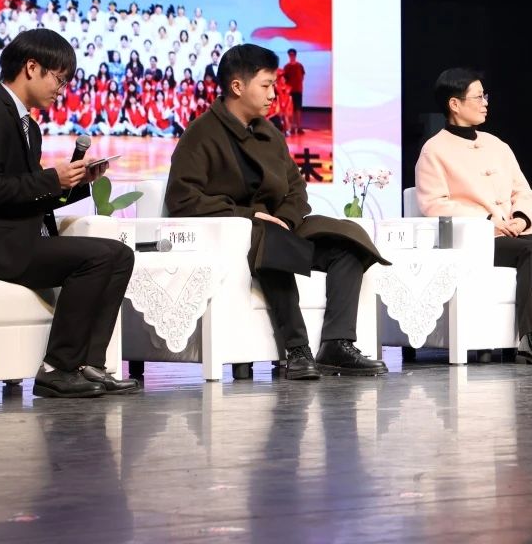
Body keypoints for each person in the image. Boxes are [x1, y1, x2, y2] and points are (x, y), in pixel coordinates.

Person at [165, 44, 389, 378]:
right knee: (273, 241)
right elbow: (182, 199)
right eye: (266, 85)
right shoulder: (201, 134)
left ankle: (337, 344)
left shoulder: (269, 132)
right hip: (239, 234)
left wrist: (285, 218)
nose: (274, 94)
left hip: (280, 226)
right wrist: (249, 216)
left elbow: (296, 188)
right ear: (237, 86)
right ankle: (297, 349)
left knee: (346, 241)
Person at [0, 29, 138, 397]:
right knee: (100, 257)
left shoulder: (28, 126)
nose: (61, 90)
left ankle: (89, 365)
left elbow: (28, 194)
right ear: (32, 67)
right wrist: (52, 178)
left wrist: (76, 182)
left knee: (119, 255)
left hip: (21, 238)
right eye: (59, 79)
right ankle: (57, 368)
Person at [414, 68, 532, 364]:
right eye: (478, 97)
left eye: (485, 96)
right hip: (476, 240)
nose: (485, 103)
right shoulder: (434, 150)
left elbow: (522, 190)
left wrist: (521, 217)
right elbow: (434, 205)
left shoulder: (496, 145)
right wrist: (486, 221)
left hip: (512, 232)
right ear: (454, 104)